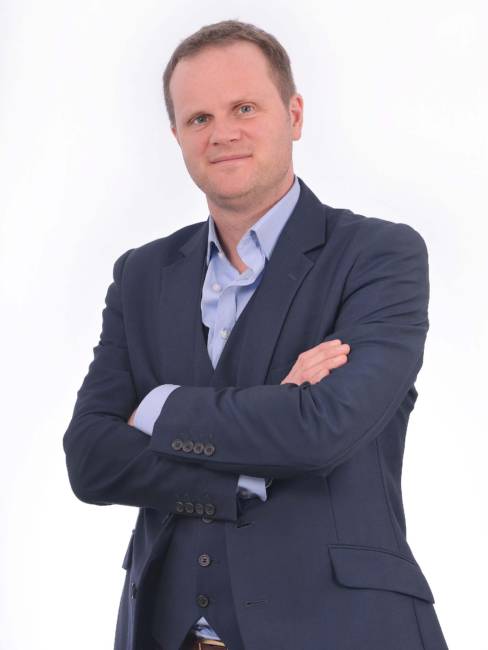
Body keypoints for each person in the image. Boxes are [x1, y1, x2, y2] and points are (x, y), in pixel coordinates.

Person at [63, 19, 450, 650]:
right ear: (177, 136)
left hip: (343, 631)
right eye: (199, 118)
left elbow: (323, 430)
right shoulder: (141, 274)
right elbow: (90, 459)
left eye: (244, 108)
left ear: (293, 115)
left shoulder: (379, 255)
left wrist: (158, 408)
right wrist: (253, 453)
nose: (223, 133)